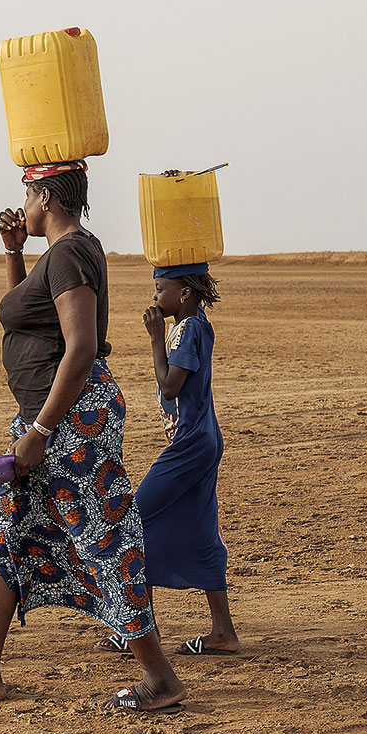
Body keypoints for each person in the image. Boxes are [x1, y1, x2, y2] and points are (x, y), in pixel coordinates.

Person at [0, 162, 187, 714]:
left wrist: (41, 431)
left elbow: (81, 347)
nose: (21, 201)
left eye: (27, 191)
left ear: (45, 194)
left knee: (102, 540)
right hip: (48, 419)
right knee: (7, 529)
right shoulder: (62, 253)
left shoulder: (69, 254)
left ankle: (160, 678)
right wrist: (13, 250)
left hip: (69, 423)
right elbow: (27, 318)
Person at [133, 264, 240, 655]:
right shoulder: (195, 323)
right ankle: (223, 633)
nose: (155, 297)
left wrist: (155, 338)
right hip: (203, 438)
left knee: (130, 523)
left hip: (190, 444)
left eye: (161, 289)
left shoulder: (188, 329)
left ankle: (143, 631)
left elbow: (169, 383)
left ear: (184, 294)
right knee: (201, 532)